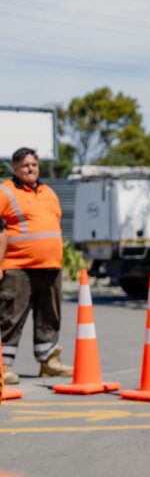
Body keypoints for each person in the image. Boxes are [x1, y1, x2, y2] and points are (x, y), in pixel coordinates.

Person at [0, 147, 74, 384]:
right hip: (18, 267)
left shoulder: (48, 192)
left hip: (50, 265)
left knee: (49, 315)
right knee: (10, 316)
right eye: (25, 165)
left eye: (34, 164)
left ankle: (49, 362)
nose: (30, 169)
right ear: (15, 168)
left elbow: (54, 221)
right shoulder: (5, 191)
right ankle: (2, 366)